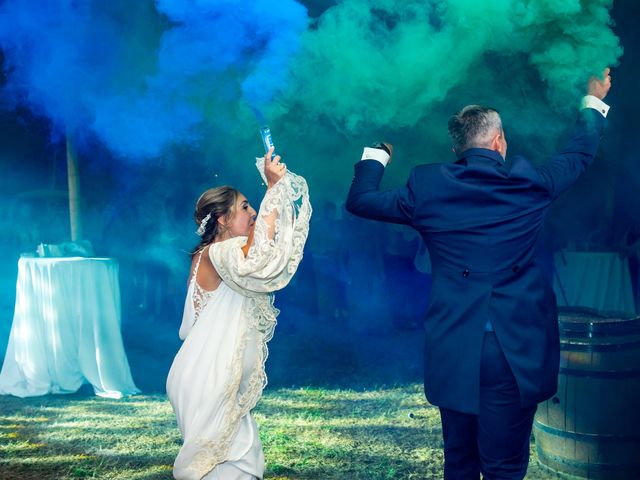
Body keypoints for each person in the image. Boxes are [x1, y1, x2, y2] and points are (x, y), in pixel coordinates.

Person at [345, 69, 612, 479]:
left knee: (461, 462)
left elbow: (361, 200)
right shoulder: (530, 184)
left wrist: (376, 155)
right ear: (499, 141)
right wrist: (593, 99)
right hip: (515, 352)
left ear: (457, 146)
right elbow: (578, 153)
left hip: (454, 346)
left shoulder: (427, 186)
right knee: (503, 466)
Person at [166, 147, 312, 480]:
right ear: (222, 220)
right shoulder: (219, 253)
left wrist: (276, 192)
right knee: (227, 468)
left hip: (211, 381)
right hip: (207, 380)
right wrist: (274, 189)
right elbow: (261, 254)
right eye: (245, 207)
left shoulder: (220, 255)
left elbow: (270, 246)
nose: (254, 211)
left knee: (242, 464)